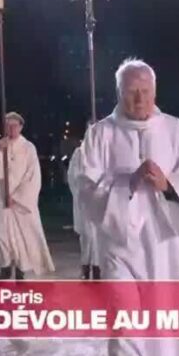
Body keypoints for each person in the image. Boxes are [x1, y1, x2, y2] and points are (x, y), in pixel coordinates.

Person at [73, 58, 179, 356]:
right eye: (132, 93)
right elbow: (85, 185)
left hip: (161, 250)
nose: (139, 100)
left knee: (163, 332)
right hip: (119, 251)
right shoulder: (101, 134)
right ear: (119, 93)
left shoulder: (176, 131)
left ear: (155, 91)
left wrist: (168, 185)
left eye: (145, 92)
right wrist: (128, 183)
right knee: (125, 332)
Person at [0, 112, 54, 280]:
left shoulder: (28, 148)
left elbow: (32, 176)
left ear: (21, 127)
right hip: (2, 197)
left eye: (15, 125)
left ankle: (21, 269)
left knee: (21, 235)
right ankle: (5, 267)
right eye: (8, 125)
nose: (11, 129)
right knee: (2, 233)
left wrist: (17, 197)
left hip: (20, 200)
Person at [67, 119, 100, 279]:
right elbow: (73, 176)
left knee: (100, 237)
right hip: (85, 201)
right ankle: (86, 267)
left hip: (102, 201)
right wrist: (83, 191)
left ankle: (99, 268)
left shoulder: (105, 151)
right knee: (87, 236)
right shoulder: (79, 154)